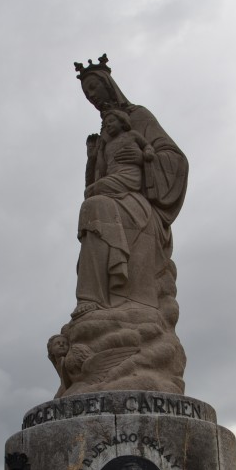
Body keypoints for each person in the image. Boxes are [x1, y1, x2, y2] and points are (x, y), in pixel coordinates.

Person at [72, 54, 188, 319]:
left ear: (108, 84)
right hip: (111, 196)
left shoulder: (138, 116)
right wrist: (92, 158)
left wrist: (147, 160)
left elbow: (175, 159)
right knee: (92, 206)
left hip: (139, 198)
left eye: (93, 88)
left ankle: (124, 298)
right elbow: (94, 183)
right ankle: (92, 300)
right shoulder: (105, 135)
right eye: (86, 93)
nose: (91, 96)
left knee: (96, 206)